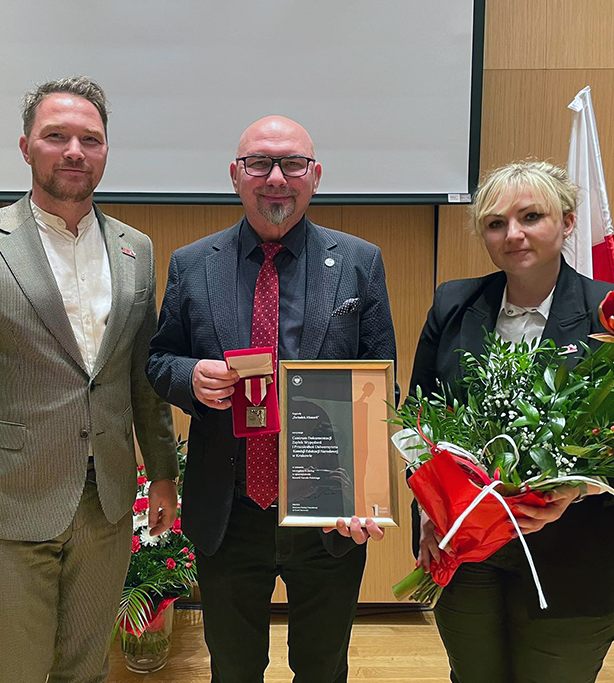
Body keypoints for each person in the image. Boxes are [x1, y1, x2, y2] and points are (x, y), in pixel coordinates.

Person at [0, 76, 178, 683]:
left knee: (85, 668)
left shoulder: (135, 249)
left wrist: (162, 474)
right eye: (55, 136)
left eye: (90, 138)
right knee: (14, 669)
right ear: (26, 147)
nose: (74, 151)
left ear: (106, 150)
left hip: (105, 505)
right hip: (9, 501)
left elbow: (142, 380)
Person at [407, 160, 614, 683]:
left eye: (531, 216)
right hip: (466, 551)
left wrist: (574, 490)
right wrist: (428, 511)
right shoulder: (453, 304)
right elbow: (421, 417)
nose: (513, 234)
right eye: (495, 223)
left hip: (581, 554)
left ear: (568, 222)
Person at [147, 116, 396, 682]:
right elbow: (159, 362)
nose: (276, 177)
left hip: (329, 513)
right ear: (236, 175)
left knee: (323, 667)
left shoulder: (359, 262)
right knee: (233, 669)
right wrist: (192, 377)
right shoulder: (192, 263)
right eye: (260, 163)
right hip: (228, 511)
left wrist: (366, 490)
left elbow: (383, 390)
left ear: (316, 175)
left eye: (293, 164)